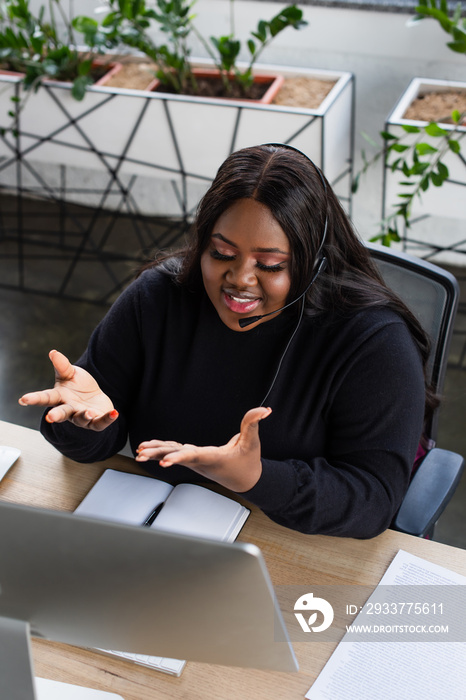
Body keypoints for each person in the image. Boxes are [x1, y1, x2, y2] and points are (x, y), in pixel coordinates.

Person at [18, 143, 431, 538]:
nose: (240, 280)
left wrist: (258, 477)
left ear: (313, 263)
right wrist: (83, 424)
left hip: (293, 544)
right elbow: (96, 442)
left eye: (269, 265)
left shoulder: (374, 342)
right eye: (221, 254)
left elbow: (375, 499)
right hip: (166, 531)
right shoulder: (157, 298)